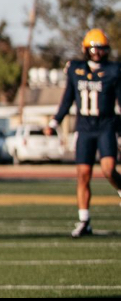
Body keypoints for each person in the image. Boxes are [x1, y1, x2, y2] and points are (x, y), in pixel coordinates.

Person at [45, 28, 121, 237]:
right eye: (94, 48)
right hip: (85, 128)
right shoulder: (75, 69)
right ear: (86, 49)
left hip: (106, 125)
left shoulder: (114, 70)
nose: (97, 52)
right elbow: (67, 98)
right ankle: (84, 220)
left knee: (108, 170)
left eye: (101, 48)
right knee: (83, 176)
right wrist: (54, 122)